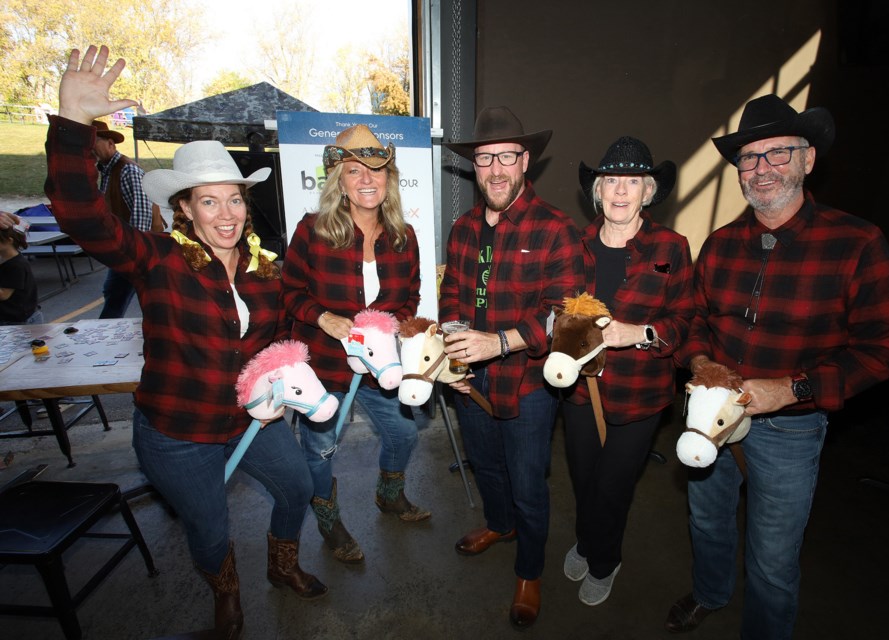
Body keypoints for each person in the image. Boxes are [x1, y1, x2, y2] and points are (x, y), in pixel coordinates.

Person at [45, 45, 325, 639]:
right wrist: (73, 126)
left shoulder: (265, 271)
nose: (225, 213)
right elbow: (81, 216)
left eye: (234, 198)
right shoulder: (158, 261)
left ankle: (283, 566)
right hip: (178, 430)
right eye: (208, 200)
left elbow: (278, 341)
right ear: (184, 208)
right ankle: (226, 595)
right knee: (209, 523)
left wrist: (284, 377)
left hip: (254, 419)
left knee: (297, 485)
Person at [665, 94, 889, 639]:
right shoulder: (722, 244)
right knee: (706, 518)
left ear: (808, 159)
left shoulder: (858, 243)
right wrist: (701, 362)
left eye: (779, 153)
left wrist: (791, 388)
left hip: (790, 430)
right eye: (750, 158)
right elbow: (696, 318)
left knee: (772, 557)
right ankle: (710, 592)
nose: (763, 168)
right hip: (710, 410)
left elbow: (885, 348)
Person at [440, 106, 584, 630]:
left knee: (528, 481)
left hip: (528, 384)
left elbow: (563, 312)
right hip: (470, 380)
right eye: (484, 159)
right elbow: (452, 297)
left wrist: (498, 343)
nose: (495, 169)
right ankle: (499, 526)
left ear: (526, 161)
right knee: (487, 467)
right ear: (474, 166)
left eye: (507, 157)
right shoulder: (462, 229)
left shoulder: (557, 230)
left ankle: (529, 570)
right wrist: (449, 357)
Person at [281, 124, 428, 566]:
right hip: (324, 364)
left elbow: (411, 296)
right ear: (338, 181)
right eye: (353, 170)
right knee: (320, 449)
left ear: (390, 178)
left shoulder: (404, 236)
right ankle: (329, 523)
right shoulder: (313, 231)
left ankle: (389, 495)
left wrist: (392, 328)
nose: (366, 179)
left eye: (376, 169)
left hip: (379, 365)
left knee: (404, 432)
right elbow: (289, 292)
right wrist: (322, 317)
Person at [562, 136, 694, 606]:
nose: (620, 190)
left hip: (640, 395)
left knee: (613, 486)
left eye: (632, 181)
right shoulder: (574, 246)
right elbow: (552, 308)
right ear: (597, 190)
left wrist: (636, 333)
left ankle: (605, 560)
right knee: (583, 477)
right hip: (580, 392)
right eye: (610, 180)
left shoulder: (671, 247)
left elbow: (684, 321)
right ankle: (586, 538)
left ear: (648, 191)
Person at [91, 119, 157, 318]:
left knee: (116, 296)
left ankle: (103, 336)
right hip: (124, 247)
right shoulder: (106, 170)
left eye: (94, 142)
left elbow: (143, 213)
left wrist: (133, 250)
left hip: (132, 249)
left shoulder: (127, 169)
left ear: (110, 143)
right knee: (120, 295)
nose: (90, 149)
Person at [0, 212, 43, 325]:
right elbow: (23, 225)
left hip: (21, 320)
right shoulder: (7, 260)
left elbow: (3, 294)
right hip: (15, 317)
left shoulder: (15, 265)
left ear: (9, 240)